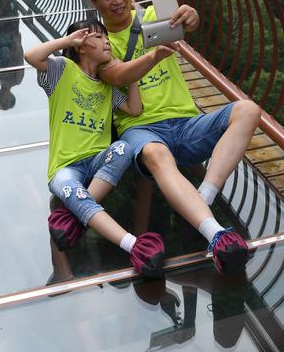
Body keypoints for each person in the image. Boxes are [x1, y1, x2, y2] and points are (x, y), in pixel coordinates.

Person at [86, 0, 263, 275]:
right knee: (156, 152)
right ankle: (215, 234)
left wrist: (190, 15)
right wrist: (151, 56)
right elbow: (116, 74)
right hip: (140, 129)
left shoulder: (151, 17)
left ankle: (202, 197)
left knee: (248, 110)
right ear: (94, 2)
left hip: (185, 123)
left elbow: (186, 23)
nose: (118, 1)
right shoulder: (95, 42)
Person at [24, 19, 178, 277]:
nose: (106, 41)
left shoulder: (107, 87)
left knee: (123, 148)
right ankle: (132, 244)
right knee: (66, 185)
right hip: (65, 167)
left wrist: (130, 74)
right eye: (97, 37)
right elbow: (31, 55)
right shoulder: (62, 70)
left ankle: (76, 216)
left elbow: (134, 108)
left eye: (106, 37)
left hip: (97, 162)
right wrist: (67, 41)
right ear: (81, 45)